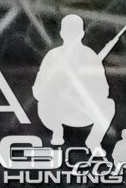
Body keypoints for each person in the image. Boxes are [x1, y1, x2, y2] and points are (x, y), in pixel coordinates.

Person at [33, 14, 116, 151]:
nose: (71, 36)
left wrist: (86, 85)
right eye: (68, 32)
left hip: (83, 112)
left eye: (75, 32)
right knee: (47, 103)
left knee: (109, 105)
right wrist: (57, 84)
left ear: (82, 34)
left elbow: (104, 90)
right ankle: (57, 133)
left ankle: (94, 141)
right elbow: (38, 91)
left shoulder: (90, 56)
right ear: (62, 33)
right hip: (57, 112)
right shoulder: (53, 56)